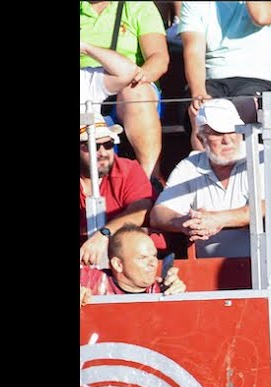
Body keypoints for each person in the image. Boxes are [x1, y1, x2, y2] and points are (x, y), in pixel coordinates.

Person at [178, 1, 271, 202]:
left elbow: (262, 16)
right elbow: (193, 50)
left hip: (258, 79)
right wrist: (198, 92)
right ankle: (207, 190)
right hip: (212, 80)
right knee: (201, 112)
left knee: (224, 114)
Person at [151, 98, 271, 258]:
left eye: (233, 131)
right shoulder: (189, 166)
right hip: (210, 267)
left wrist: (216, 220)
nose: (228, 140)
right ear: (201, 138)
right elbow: (158, 213)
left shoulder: (260, 156)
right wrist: (185, 222)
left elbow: (266, 206)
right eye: (217, 134)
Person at [79, 1, 170, 184]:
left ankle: (149, 180)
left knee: (136, 93)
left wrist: (139, 77)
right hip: (85, 85)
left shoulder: (138, 6)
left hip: (128, 82)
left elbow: (159, 58)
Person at [79, 115, 168, 266]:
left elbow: (140, 211)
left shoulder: (128, 169)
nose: (103, 152)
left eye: (108, 144)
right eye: (93, 146)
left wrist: (103, 234)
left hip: (124, 256)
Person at [80, 224, 186, 301]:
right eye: (143, 258)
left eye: (154, 256)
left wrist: (178, 297)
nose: (153, 263)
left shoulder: (163, 289)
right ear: (118, 265)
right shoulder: (89, 281)